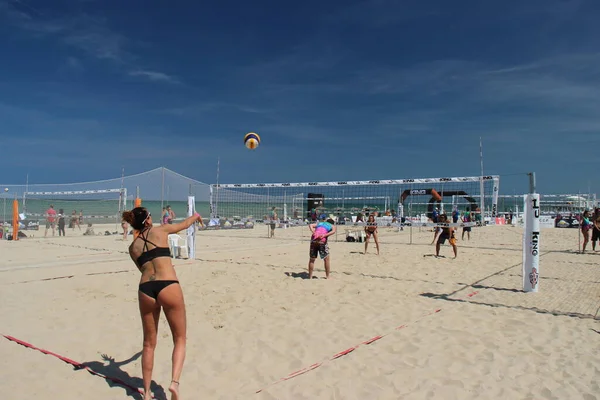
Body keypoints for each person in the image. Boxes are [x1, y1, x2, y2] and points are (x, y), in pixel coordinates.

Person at [122, 207, 203, 400]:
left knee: (148, 344)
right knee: (180, 338)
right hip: (168, 284)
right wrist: (196, 216)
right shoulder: (160, 230)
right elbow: (183, 224)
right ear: (148, 220)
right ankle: (174, 383)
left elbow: (142, 268)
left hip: (146, 289)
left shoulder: (132, 248)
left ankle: (147, 392)